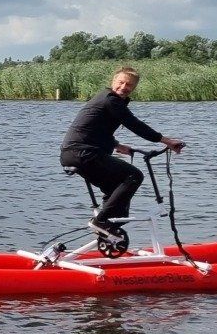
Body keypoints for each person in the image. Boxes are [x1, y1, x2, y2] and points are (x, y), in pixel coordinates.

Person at [60, 66, 185, 245]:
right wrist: (166, 141)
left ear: (133, 88)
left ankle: (109, 232)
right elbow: (135, 124)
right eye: (121, 82)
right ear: (113, 82)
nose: (124, 87)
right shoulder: (111, 100)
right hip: (84, 153)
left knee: (115, 187)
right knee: (134, 175)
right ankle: (102, 222)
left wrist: (116, 145)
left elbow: (95, 128)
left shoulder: (106, 100)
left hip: (74, 153)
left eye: (129, 85)